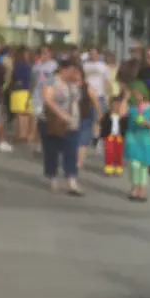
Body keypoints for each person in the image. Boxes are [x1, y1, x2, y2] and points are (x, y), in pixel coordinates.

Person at [39, 59, 83, 196]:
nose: (73, 73)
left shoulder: (73, 83)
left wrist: (78, 80)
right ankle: (52, 177)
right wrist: (61, 114)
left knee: (71, 151)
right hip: (52, 122)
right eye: (71, 70)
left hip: (72, 123)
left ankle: (72, 181)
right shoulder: (51, 81)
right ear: (62, 69)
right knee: (51, 151)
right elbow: (47, 99)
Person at [124, 81, 150, 202]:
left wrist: (147, 123)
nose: (137, 96)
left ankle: (141, 188)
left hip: (145, 137)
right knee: (134, 163)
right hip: (132, 136)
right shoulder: (131, 106)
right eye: (135, 93)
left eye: (139, 93)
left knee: (143, 164)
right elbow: (121, 113)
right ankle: (134, 186)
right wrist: (125, 98)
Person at [31, 45, 58, 155]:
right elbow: (32, 81)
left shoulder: (54, 65)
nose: (44, 55)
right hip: (37, 96)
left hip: (49, 97)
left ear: (51, 54)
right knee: (39, 122)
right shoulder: (36, 66)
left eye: (46, 52)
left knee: (49, 122)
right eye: (42, 52)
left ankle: (50, 145)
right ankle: (39, 145)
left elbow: (56, 81)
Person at [9, 47, 35, 144]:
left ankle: (19, 134)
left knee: (19, 115)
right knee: (24, 114)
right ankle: (24, 134)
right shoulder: (27, 67)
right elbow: (30, 81)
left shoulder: (16, 66)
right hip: (25, 91)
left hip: (16, 92)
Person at [102, 94, 128, 176]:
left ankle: (118, 167)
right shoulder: (108, 115)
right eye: (114, 104)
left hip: (119, 136)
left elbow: (125, 126)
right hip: (110, 136)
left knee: (119, 153)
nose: (116, 106)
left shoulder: (123, 116)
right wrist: (103, 136)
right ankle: (109, 167)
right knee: (109, 152)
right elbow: (104, 126)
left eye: (118, 104)